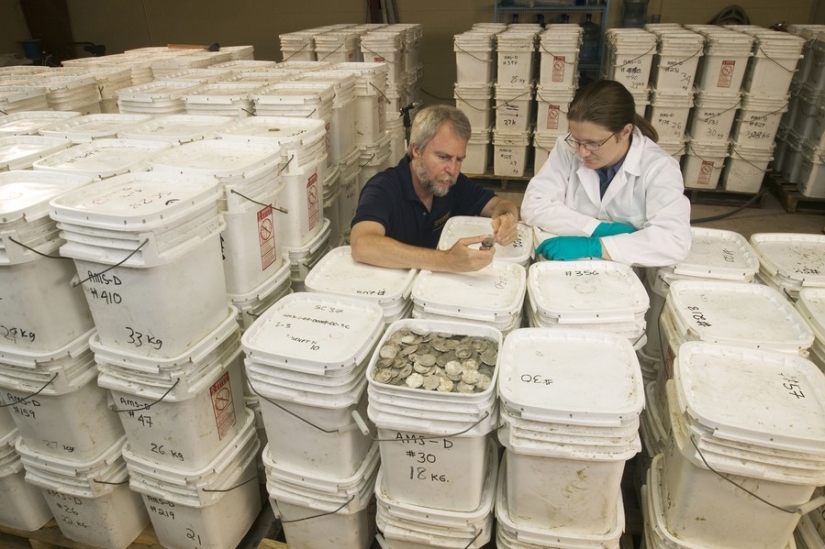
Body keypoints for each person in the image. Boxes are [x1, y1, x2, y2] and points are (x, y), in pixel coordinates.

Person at [521, 80, 691, 267]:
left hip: (623, 274)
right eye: (576, 140)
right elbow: (534, 205)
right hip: (565, 267)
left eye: (593, 143)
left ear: (625, 132)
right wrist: (596, 228)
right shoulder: (566, 148)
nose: (581, 152)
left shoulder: (658, 168)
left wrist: (596, 246)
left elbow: (674, 241)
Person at [350, 104, 520, 272]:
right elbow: (362, 244)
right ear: (417, 150)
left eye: (459, 159)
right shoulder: (383, 188)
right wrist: (446, 260)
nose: (452, 170)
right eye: (443, 157)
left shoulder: (453, 183)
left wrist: (508, 218)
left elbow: (498, 204)